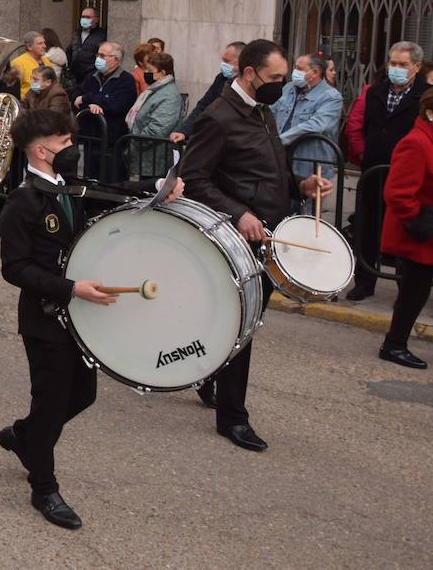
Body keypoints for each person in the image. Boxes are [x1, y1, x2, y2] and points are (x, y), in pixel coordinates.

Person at [0, 108, 183, 530]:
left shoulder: (70, 188)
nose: (72, 150)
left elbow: (114, 190)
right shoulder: (21, 203)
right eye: (64, 144)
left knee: (83, 395)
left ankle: (25, 437)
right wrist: (70, 288)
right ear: (42, 151)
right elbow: (14, 269)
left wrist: (158, 186)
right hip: (46, 320)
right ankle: (43, 487)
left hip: (80, 320)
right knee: (50, 404)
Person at [180, 39, 330, 452]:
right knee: (243, 325)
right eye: (276, 78)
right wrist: (239, 213)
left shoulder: (262, 111)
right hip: (238, 238)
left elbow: (270, 169)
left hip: (270, 231)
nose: (282, 86)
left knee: (238, 321)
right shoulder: (219, 117)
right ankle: (233, 417)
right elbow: (194, 179)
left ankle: (209, 377)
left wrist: (302, 185)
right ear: (250, 74)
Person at [350, 41, 429, 301]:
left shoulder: (426, 95)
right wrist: (364, 154)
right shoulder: (376, 91)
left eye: (402, 65)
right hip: (374, 170)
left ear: (416, 67)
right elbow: (364, 126)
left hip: (407, 175)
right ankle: (364, 281)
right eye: (392, 63)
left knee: (404, 230)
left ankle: (404, 289)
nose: (396, 69)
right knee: (367, 227)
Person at [376, 89, 433, 370]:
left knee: (416, 291)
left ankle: (395, 342)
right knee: (413, 292)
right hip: (419, 235)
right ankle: (394, 344)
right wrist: (420, 221)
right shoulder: (417, 142)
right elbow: (397, 193)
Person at [272, 53, 343, 184]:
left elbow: (316, 125)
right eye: (295, 67)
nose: (294, 72)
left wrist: (280, 140)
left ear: (314, 72)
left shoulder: (331, 97)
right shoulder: (288, 88)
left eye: (299, 69)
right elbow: (271, 112)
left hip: (310, 168)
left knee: (307, 204)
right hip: (282, 164)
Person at [71, 42, 134, 179]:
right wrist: (90, 106)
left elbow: (115, 105)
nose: (98, 58)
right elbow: (76, 98)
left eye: (102, 55)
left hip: (112, 141)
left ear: (115, 59)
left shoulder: (126, 80)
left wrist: (88, 98)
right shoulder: (91, 77)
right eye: (98, 54)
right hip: (91, 138)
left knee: (110, 179)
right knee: (90, 178)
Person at [125, 52, 184, 178]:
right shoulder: (154, 90)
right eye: (145, 69)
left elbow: (158, 129)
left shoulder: (169, 96)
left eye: (150, 70)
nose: (145, 73)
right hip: (147, 158)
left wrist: (134, 142)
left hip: (156, 161)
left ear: (162, 73)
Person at [172, 41, 245, 142]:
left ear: (241, 62)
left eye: (227, 61)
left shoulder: (248, 86)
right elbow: (203, 106)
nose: (223, 64)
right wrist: (184, 132)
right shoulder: (221, 78)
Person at [66, 7, 106, 86]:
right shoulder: (77, 33)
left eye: (88, 17)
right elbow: (70, 51)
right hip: (75, 76)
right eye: (83, 17)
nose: (84, 19)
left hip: (91, 76)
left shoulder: (101, 35)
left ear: (96, 19)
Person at [10, 31, 49, 98]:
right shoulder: (18, 63)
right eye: (40, 43)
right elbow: (12, 90)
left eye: (44, 43)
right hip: (27, 104)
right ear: (29, 47)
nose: (44, 46)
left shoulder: (46, 61)